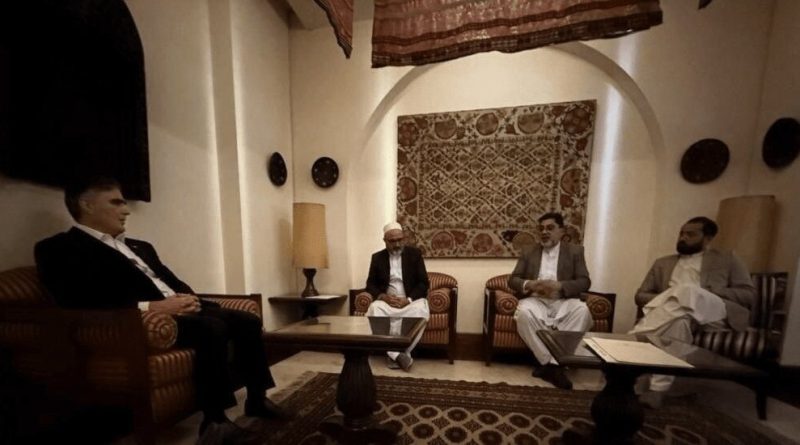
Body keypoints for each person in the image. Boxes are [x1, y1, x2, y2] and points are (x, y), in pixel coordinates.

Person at [34, 177, 288, 436]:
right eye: (116, 202)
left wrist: (189, 298)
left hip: (181, 309)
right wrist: (152, 307)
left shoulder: (139, 247)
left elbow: (172, 281)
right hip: (141, 322)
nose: (126, 210)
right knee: (212, 328)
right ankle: (215, 420)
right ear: (86, 205)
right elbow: (76, 299)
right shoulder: (59, 248)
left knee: (247, 321)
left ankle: (257, 399)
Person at [631, 216, 755, 407]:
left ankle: (636, 337)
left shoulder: (727, 258)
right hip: (677, 314)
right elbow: (640, 296)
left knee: (688, 290)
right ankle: (657, 390)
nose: (683, 237)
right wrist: (672, 295)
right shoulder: (662, 263)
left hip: (714, 314)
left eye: (691, 234)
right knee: (679, 321)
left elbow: (748, 295)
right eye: (681, 233)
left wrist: (706, 292)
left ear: (708, 238)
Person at [508, 212, 592, 390]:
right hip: (536, 299)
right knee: (523, 314)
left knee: (582, 311)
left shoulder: (575, 251)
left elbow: (584, 282)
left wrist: (560, 286)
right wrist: (530, 284)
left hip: (563, 299)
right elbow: (513, 280)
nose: (544, 232)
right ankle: (550, 363)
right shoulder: (529, 251)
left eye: (550, 228)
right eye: (541, 229)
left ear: (562, 231)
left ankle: (551, 366)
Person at [364, 222, 430, 371]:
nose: (397, 244)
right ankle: (398, 355)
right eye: (392, 241)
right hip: (387, 301)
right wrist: (383, 297)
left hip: (409, 300)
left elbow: (423, 283)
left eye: (400, 240)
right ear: (385, 241)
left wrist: (409, 299)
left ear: (404, 238)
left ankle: (398, 353)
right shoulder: (377, 257)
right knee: (374, 309)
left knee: (421, 309)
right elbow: (370, 284)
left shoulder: (415, 254)